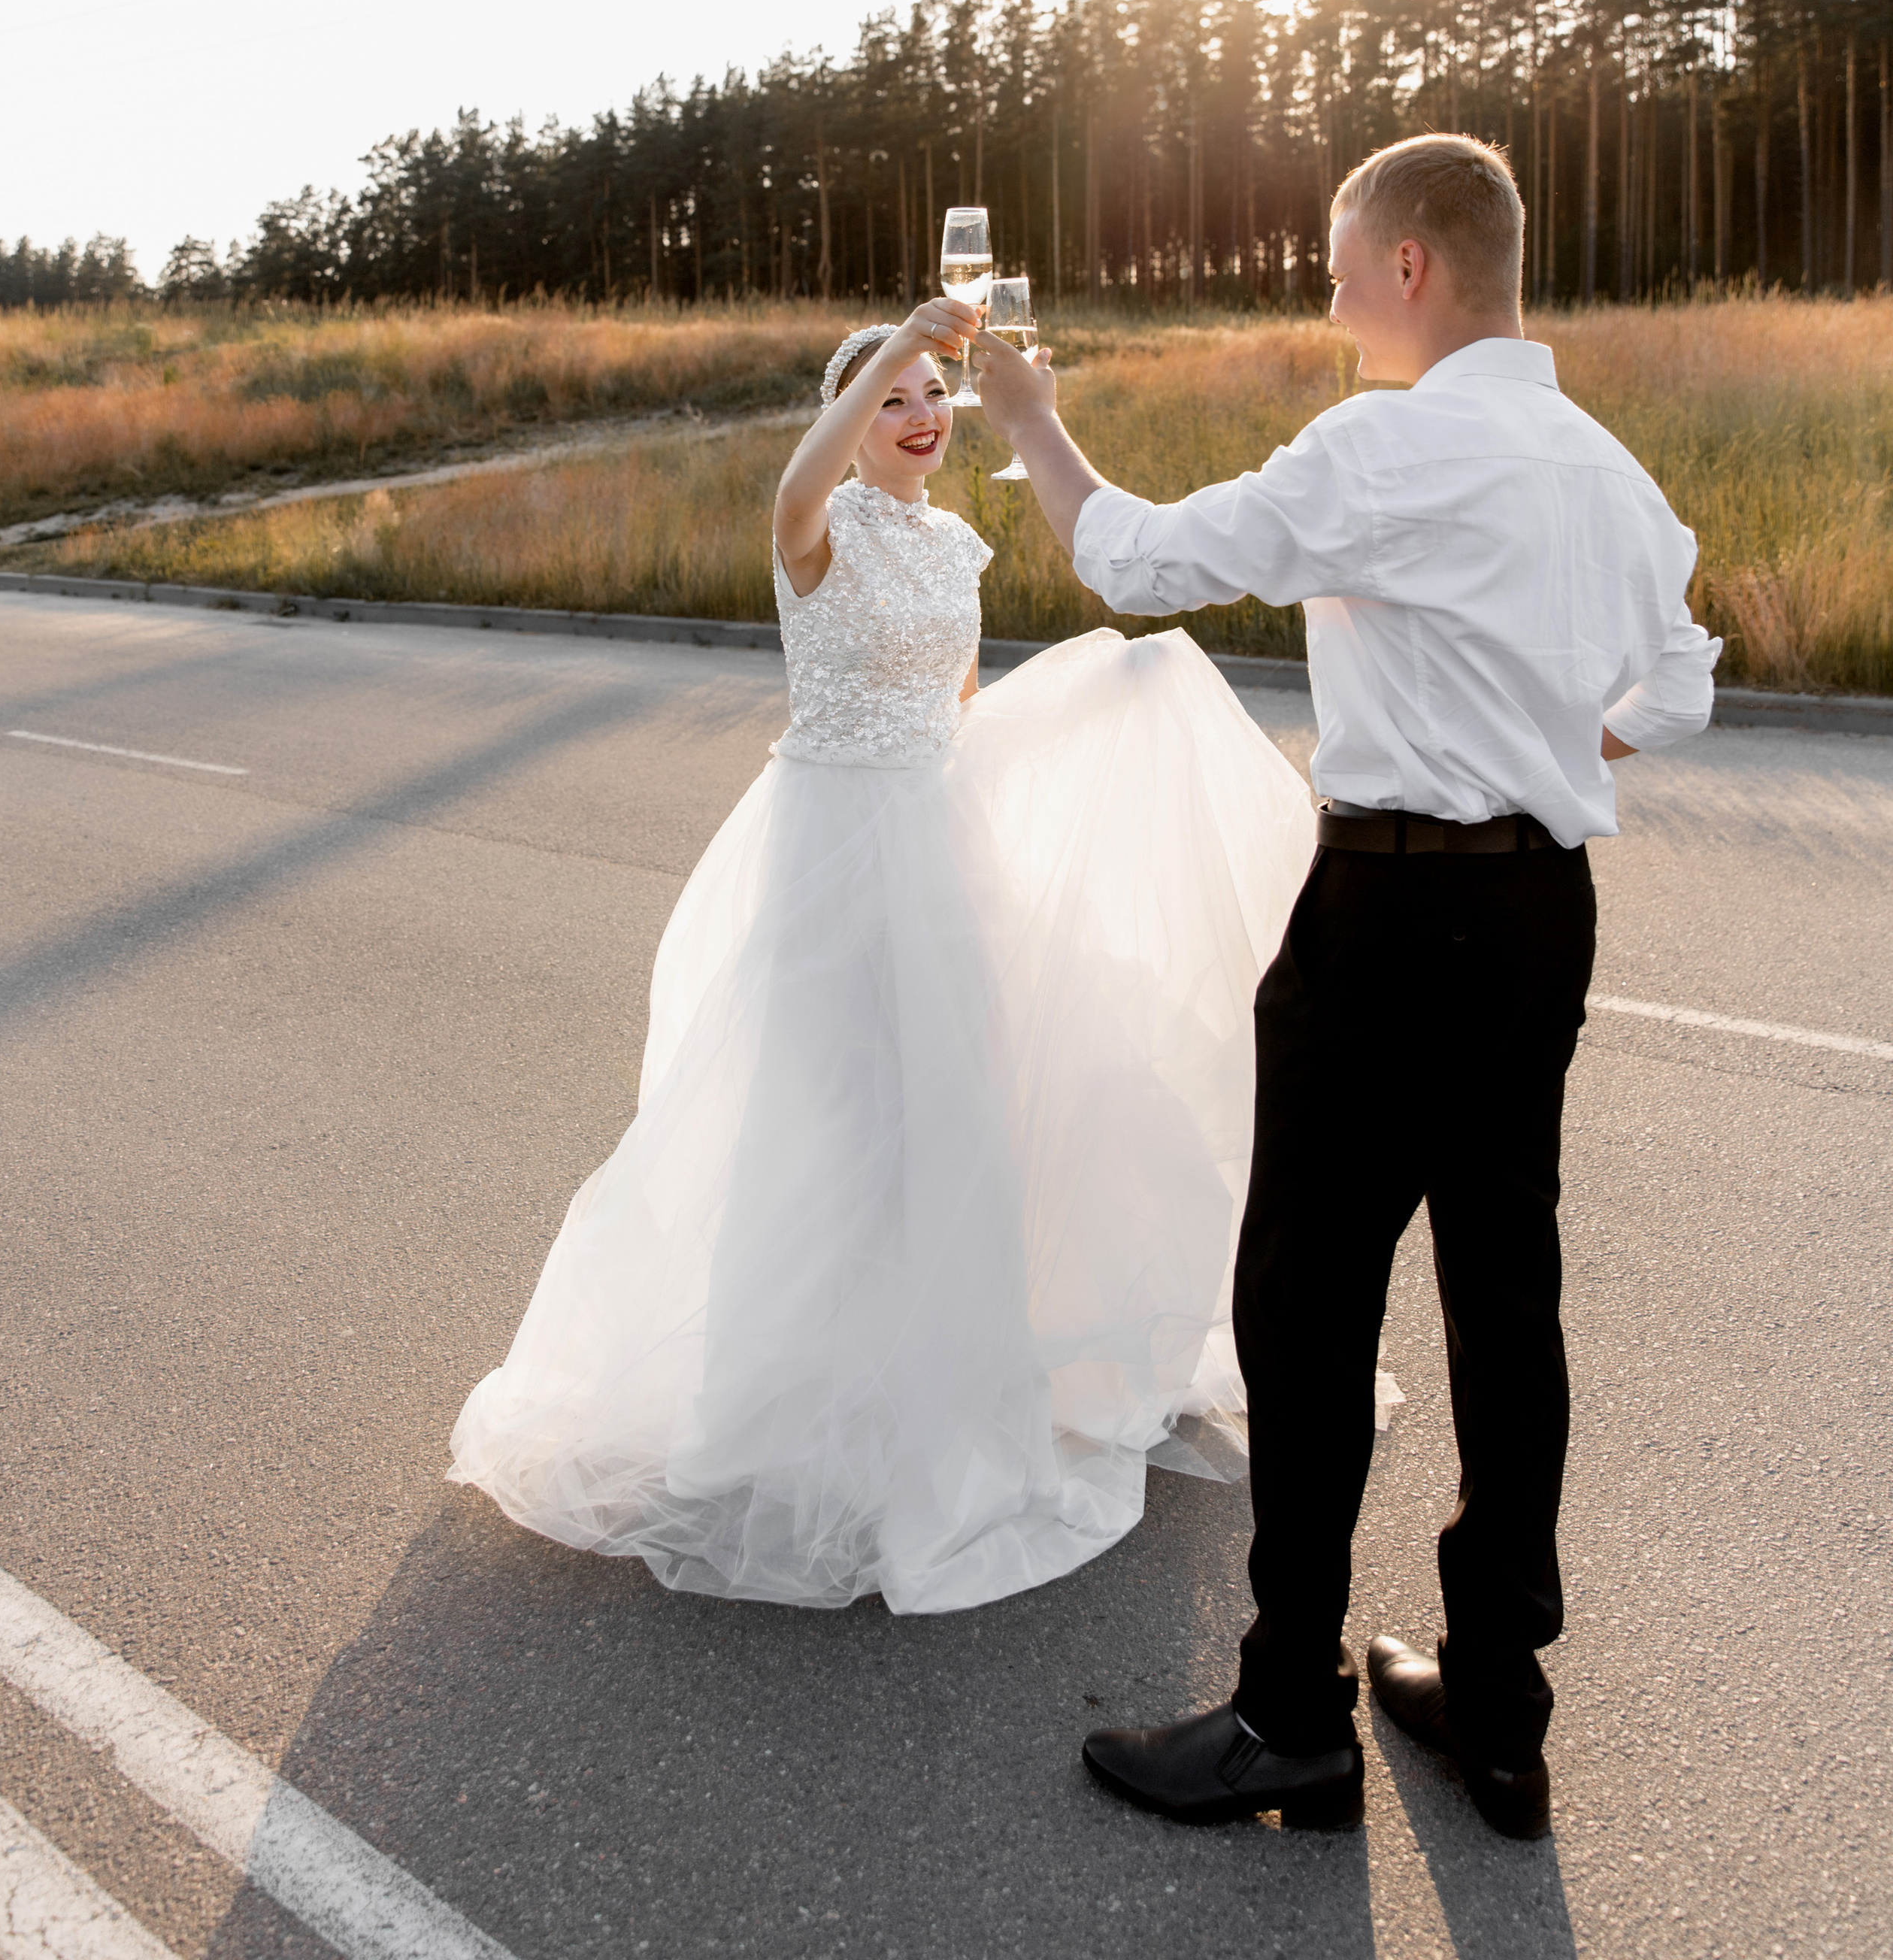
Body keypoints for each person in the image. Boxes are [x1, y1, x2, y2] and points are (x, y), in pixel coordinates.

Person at [974, 133, 1718, 1839]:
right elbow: (1674, 685)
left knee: (1307, 1307)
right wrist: (1538, 740)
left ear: (1409, 267)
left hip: (1384, 919)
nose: (1320, 292)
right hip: (1541, 912)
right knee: (1502, 1295)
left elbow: (1142, 562)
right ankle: (1499, 1709)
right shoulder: (1601, 467)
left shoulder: (1386, 445)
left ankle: (1287, 1710)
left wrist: (1026, 418)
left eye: (1333, 259)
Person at [450, 295, 1317, 1614]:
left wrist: (1084, 732)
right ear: (851, 426)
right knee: (830, 1123)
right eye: (892, 401)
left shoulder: (953, 547)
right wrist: (892, 349)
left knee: (954, 1126)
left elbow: (960, 716)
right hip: (830, 853)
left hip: (936, 848)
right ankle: (783, 1403)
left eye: (932, 401)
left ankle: (950, 1392)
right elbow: (804, 474)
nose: (918, 421)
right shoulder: (815, 527)